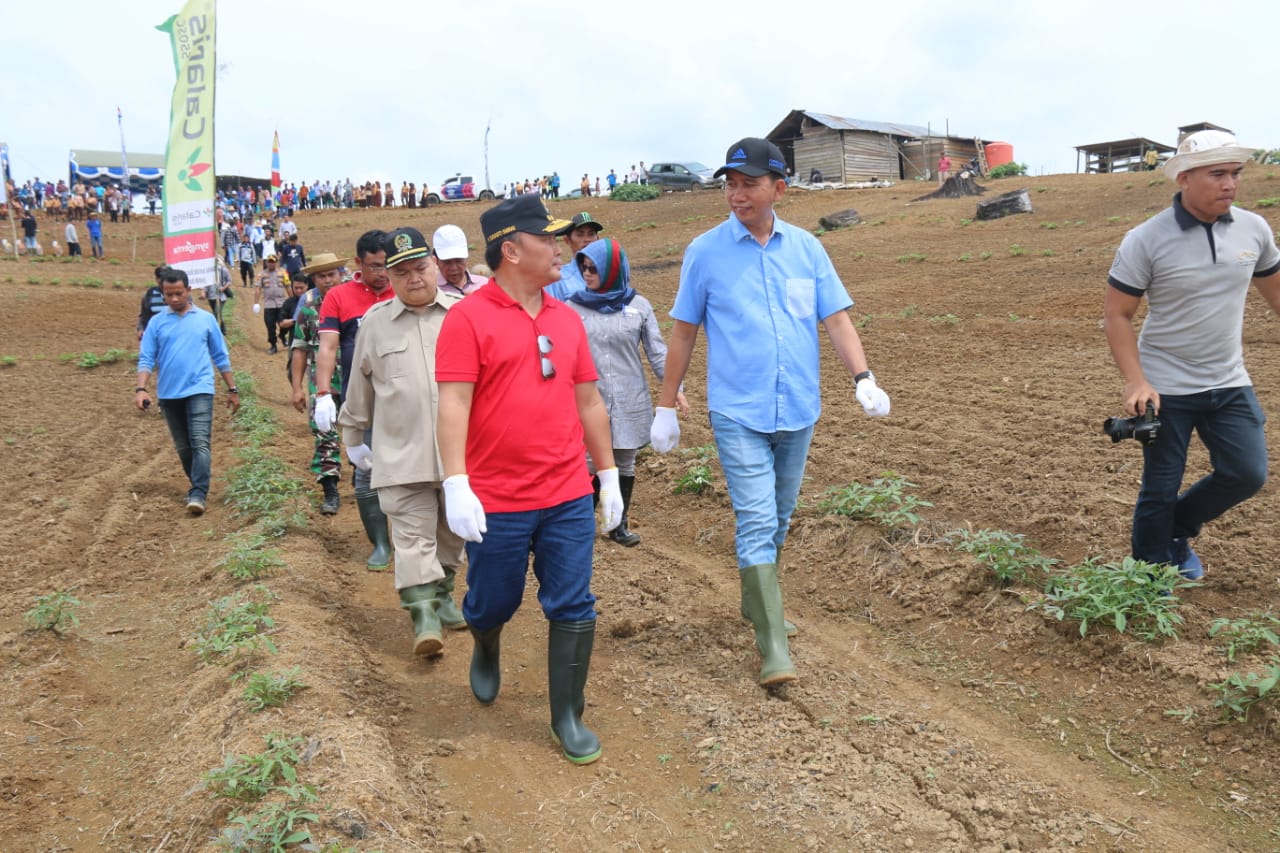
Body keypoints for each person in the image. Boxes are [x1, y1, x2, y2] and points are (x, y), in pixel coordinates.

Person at [651, 137, 892, 688]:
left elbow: (836, 319)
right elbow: (684, 331)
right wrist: (666, 405)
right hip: (737, 410)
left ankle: (758, 601)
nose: (736, 194)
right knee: (757, 519)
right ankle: (773, 643)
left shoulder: (807, 250)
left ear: (778, 188)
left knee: (779, 518)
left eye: (748, 183)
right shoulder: (704, 252)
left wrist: (863, 378)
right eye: (729, 184)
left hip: (799, 407)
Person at [436, 193, 624, 765]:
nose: (563, 247)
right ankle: (486, 640)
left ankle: (567, 714)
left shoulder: (567, 319)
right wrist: (455, 483)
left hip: (566, 492)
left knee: (573, 604)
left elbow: (588, 402)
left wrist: (609, 474)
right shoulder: (468, 319)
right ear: (512, 250)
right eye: (549, 238)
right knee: (492, 602)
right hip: (498, 498)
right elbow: (452, 405)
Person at [1104, 129, 1280, 582]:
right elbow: (1118, 315)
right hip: (1166, 386)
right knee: (1160, 488)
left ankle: (1177, 530)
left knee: (1246, 473)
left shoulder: (1253, 229)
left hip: (1229, 380)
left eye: (1235, 173)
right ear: (1183, 178)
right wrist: (1136, 381)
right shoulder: (1146, 239)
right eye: (1217, 173)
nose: (1230, 184)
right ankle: (1147, 576)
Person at [337, 228, 468, 656]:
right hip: (401, 452)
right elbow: (360, 385)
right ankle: (423, 616)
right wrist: (354, 436)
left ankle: (444, 593)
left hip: (461, 457)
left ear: (434, 266)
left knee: (452, 534)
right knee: (412, 538)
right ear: (389, 279)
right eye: (402, 272)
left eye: (420, 268)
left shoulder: (466, 315)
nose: (414, 278)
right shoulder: (374, 324)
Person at [566, 237, 688, 547]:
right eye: (584, 268)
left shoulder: (638, 306)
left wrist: (675, 389)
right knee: (588, 463)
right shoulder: (571, 307)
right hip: (587, 397)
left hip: (629, 397)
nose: (587, 275)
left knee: (624, 462)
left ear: (613, 270)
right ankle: (579, 526)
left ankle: (616, 525)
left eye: (594, 269)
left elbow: (658, 352)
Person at [313, 231, 395, 569]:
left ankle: (416, 541)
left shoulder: (403, 288)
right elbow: (329, 346)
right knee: (366, 471)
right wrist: (322, 394)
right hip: (362, 398)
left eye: (387, 265)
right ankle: (380, 543)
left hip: (405, 397)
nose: (383, 273)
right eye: (375, 266)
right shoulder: (339, 297)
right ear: (359, 263)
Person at [135, 267, 241, 515]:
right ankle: (197, 484)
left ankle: (198, 492)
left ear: (188, 290)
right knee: (183, 447)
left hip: (200, 389)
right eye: (168, 294)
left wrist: (232, 388)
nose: (173, 299)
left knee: (199, 442)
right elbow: (146, 358)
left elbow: (220, 356)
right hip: (169, 394)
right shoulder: (156, 323)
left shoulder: (205, 319)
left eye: (178, 293)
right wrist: (141, 388)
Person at [289, 254, 348, 515]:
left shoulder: (354, 300)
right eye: (322, 276)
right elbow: (299, 349)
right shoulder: (309, 307)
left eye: (331, 274)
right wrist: (297, 387)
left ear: (341, 274)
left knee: (364, 431)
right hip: (322, 380)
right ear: (314, 279)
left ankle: (365, 482)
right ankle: (330, 489)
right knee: (325, 432)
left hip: (354, 377)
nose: (327, 280)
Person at [545, 211, 603, 302]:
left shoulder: (609, 273)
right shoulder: (558, 278)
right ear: (567, 241)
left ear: (598, 239)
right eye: (580, 234)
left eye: (591, 234)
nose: (587, 239)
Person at [433, 224, 487, 296]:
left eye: (458, 261)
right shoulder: (432, 292)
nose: (454, 268)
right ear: (436, 261)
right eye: (447, 262)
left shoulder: (484, 284)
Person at [254, 255, 288, 354]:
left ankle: (282, 335)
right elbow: (257, 289)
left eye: (273, 261)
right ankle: (273, 345)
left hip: (281, 303)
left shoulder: (283, 273)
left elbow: (288, 286)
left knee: (284, 324)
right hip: (269, 305)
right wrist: (256, 303)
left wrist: (293, 299)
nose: (271, 263)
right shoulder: (261, 275)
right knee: (270, 326)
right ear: (266, 263)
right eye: (269, 261)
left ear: (276, 262)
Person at [137, 264, 169, 340]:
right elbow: (144, 316)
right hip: (155, 334)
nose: (163, 280)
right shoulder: (149, 295)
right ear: (156, 279)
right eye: (161, 278)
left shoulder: (179, 295)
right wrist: (141, 329)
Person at [278, 274, 308, 350]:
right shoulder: (289, 303)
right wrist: (297, 320)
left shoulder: (314, 300)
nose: (298, 290)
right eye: (296, 288)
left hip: (312, 343)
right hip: (294, 343)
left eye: (301, 288)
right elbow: (282, 323)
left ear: (307, 286)